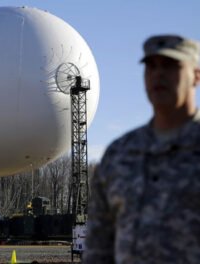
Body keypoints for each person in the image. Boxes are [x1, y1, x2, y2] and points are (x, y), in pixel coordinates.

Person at [83, 35, 200, 263]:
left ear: (196, 75)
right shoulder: (119, 155)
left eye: (170, 65)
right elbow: (99, 247)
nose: (158, 74)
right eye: (151, 66)